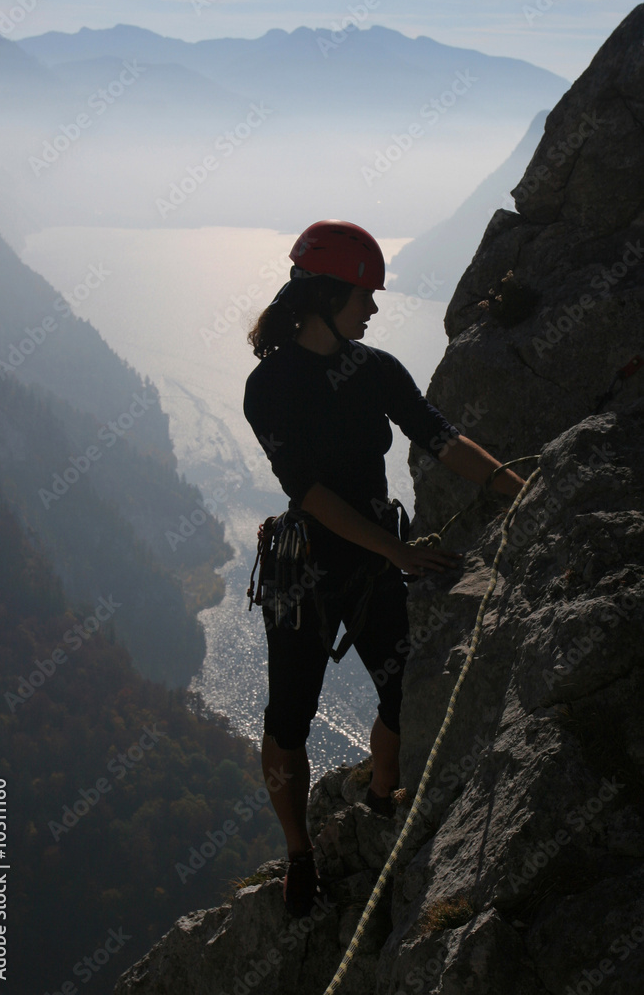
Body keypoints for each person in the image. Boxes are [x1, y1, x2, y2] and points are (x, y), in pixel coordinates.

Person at [243, 219, 524, 917]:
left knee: (402, 689)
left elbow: (438, 436)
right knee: (287, 721)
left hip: (368, 562)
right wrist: (394, 551)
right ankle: (299, 853)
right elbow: (305, 489)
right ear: (326, 295)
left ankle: (380, 796)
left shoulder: (374, 370)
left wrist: (513, 489)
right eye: (362, 295)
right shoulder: (269, 385)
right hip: (310, 569)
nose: (372, 307)